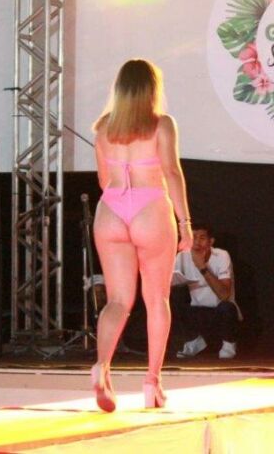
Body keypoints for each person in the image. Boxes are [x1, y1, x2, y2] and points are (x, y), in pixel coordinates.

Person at [91, 59, 193, 412]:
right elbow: (173, 173)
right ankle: (152, 383)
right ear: (152, 89)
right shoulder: (162, 124)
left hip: (111, 210)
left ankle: (101, 366)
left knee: (117, 301)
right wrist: (184, 222)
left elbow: (103, 180)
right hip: (150, 209)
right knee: (157, 299)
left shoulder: (103, 127)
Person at [172, 223, 242, 360]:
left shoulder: (221, 255)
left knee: (227, 307)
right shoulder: (182, 256)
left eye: (202, 238)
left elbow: (224, 295)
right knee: (169, 299)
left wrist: (202, 267)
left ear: (211, 241)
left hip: (220, 312)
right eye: (193, 237)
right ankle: (194, 341)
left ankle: (228, 344)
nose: (197, 242)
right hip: (197, 312)